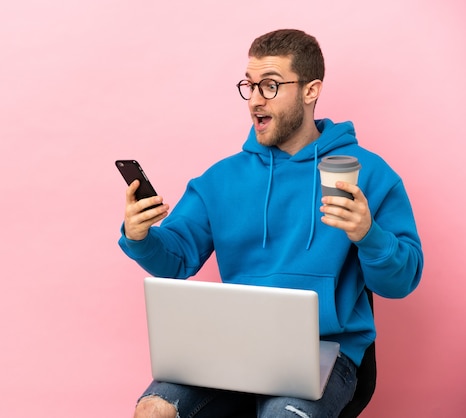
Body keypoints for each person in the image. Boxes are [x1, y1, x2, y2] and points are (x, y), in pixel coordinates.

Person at [118, 29, 423, 418]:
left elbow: (401, 282)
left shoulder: (370, 174)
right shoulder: (222, 178)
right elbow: (175, 260)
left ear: (311, 91)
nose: (256, 100)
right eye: (250, 85)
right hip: (233, 344)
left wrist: (369, 236)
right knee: (153, 410)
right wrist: (141, 236)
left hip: (324, 350)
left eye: (271, 85)